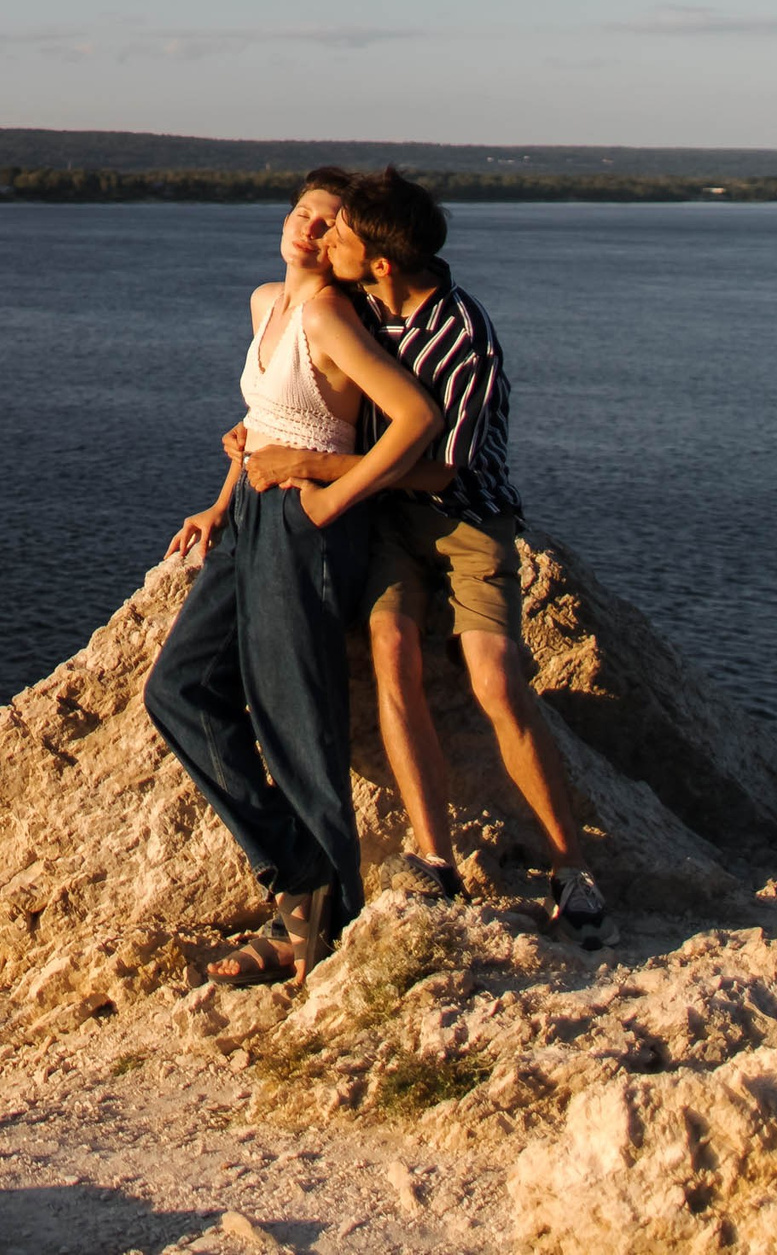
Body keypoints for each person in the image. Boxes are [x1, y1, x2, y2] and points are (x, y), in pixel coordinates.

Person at [240, 167, 616, 948]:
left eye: (341, 234)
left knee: (495, 679)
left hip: (464, 520)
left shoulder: (462, 335)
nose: (326, 240)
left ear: (380, 262)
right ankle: (436, 858)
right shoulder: (359, 307)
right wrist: (258, 438)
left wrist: (314, 469)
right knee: (391, 651)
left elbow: (441, 469)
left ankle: (571, 866)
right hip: (386, 520)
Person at [145, 168, 444, 987]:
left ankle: (323, 915)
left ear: (346, 242)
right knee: (178, 688)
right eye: (303, 212)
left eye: (328, 222)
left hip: (303, 523)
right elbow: (262, 421)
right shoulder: (265, 303)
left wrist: (332, 498)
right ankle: (301, 873)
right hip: (251, 514)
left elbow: (418, 418)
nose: (308, 228)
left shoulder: (328, 316)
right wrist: (220, 503)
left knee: (296, 719)